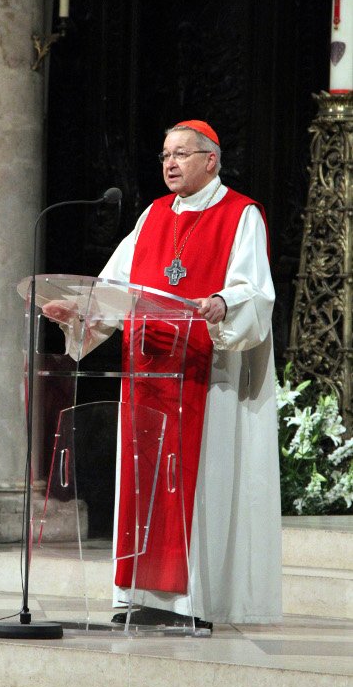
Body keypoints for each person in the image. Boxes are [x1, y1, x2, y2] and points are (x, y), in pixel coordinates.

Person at [43, 120, 282, 628]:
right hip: (146, 377)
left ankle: (193, 604)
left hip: (203, 377)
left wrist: (222, 303)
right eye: (165, 155)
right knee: (141, 484)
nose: (170, 163)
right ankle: (142, 596)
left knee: (198, 488)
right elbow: (114, 286)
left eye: (181, 154)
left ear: (210, 159)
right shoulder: (152, 216)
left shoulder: (241, 216)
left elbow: (257, 292)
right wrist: (79, 311)